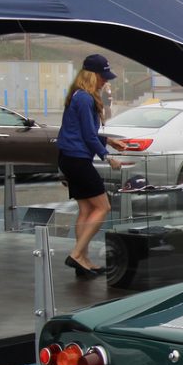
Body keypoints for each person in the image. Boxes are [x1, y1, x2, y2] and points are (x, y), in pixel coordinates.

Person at [57, 55, 127, 278]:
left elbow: (81, 131)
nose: (105, 81)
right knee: (103, 207)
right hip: (77, 160)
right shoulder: (85, 99)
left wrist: (109, 141)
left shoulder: (77, 95)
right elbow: (88, 135)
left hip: (69, 158)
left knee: (87, 209)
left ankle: (84, 261)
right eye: (102, 76)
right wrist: (108, 156)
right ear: (91, 75)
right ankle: (77, 255)